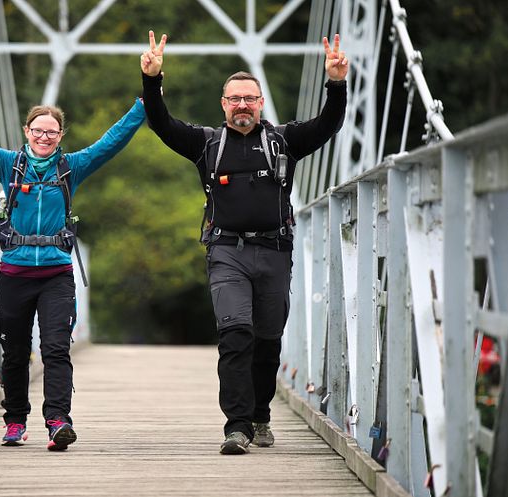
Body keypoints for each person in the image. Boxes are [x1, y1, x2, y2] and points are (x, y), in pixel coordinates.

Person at [140, 31, 347, 454]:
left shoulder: (283, 141)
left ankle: (260, 415)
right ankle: (236, 426)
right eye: (234, 99)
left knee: (267, 341)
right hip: (226, 253)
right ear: (223, 104)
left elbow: (328, 125)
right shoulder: (206, 144)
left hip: (274, 253)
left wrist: (336, 84)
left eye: (249, 99)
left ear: (260, 103)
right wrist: (152, 80)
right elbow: (161, 124)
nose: (242, 106)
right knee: (235, 334)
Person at [0, 66, 146, 451]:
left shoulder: (71, 167)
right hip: (13, 274)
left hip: (56, 275)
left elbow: (111, 142)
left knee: (56, 349)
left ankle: (58, 421)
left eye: (52, 131)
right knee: (14, 353)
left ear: (61, 137)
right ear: (27, 132)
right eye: (38, 130)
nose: (44, 136)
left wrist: (145, 104)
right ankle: (14, 422)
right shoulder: (5, 164)